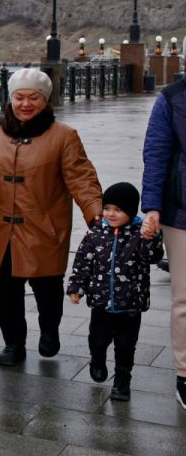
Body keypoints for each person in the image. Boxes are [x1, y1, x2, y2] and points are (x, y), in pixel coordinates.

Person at [0, 68, 102, 366]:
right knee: (7, 288)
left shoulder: (64, 136)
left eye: (33, 97)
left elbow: (82, 180)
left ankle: (49, 330)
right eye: (19, 97)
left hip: (44, 228)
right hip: (0, 227)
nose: (26, 104)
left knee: (47, 288)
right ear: (10, 99)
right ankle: (13, 343)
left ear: (45, 100)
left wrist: (96, 215)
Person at [67, 182, 164, 401]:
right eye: (107, 208)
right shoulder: (95, 233)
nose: (111, 214)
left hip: (130, 305)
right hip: (101, 304)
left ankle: (122, 381)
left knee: (126, 345)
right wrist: (77, 286)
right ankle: (97, 359)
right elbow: (83, 262)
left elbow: (153, 257)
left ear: (130, 211)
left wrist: (152, 237)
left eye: (118, 210)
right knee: (97, 340)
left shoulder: (140, 234)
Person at [141, 75, 186, 408]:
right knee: (185, 299)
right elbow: (156, 154)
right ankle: (185, 373)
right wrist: (153, 208)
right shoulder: (172, 98)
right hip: (181, 213)